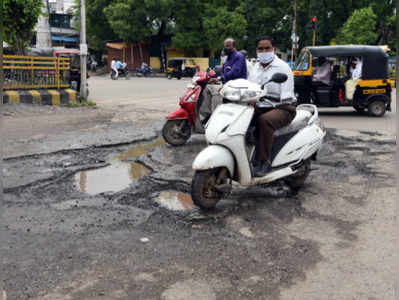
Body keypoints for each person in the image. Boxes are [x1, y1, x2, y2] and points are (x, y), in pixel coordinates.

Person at [247, 35, 297, 177]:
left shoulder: (283, 67)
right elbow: (249, 87)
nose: (264, 51)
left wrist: (264, 97)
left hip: (283, 107)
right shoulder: (255, 67)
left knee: (265, 121)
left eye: (267, 48)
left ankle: (264, 161)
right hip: (261, 105)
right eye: (260, 49)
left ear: (273, 49)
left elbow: (286, 97)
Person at [200, 38, 247, 119]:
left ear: (234, 47)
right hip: (228, 84)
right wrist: (209, 77)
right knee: (206, 88)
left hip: (237, 86)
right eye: (225, 46)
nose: (226, 49)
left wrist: (218, 79)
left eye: (228, 46)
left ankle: (216, 117)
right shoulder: (228, 58)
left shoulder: (239, 56)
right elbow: (223, 73)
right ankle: (207, 114)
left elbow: (234, 73)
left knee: (217, 91)